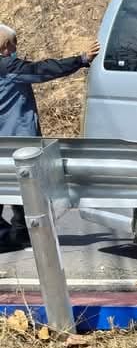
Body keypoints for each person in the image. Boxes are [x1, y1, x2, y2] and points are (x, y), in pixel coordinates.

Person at [0, 24, 99, 250]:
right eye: (13, 45)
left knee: (15, 188)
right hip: (16, 139)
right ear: (5, 47)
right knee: (25, 187)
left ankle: (20, 232)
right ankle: (15, 234)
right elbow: (43, 70)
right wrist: (81, 59)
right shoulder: (8, 67)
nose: (16, 50)